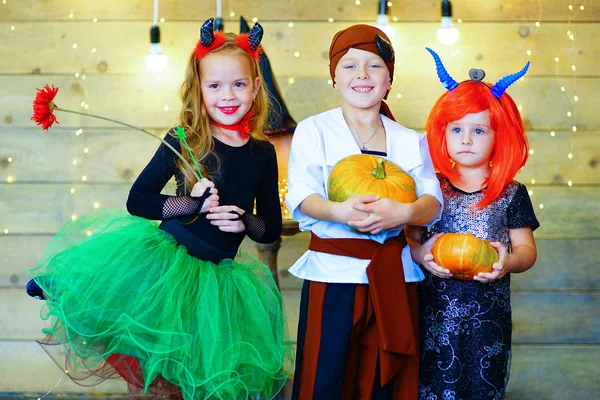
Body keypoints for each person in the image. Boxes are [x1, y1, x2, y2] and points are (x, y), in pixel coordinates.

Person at [26, 18, 293, 400]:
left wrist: (244, 221)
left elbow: (268, 228)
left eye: (238, 84)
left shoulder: (262, 153)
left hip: (219, 285)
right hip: (168, 270)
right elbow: (139, 200)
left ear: (254, 88)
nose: (227, 95)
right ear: (198, 90)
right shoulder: (185, 138)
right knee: (157, 383)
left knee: (200, 378)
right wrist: (191, 204)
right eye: (214, 85)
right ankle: (69, 288)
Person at [285, 25, 443, 399]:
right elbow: (303, 196)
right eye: (350, 66)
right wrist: (341, 212)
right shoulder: (314, 130)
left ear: (389, 80)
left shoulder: (409, 139)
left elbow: (431, 202)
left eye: (374, 66)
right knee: (325, 376)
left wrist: (402, 213)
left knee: (381, 381)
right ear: (334, 79)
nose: (362, 75)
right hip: (333, 273)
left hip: (394, 276)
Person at [407, 47, 539, 400]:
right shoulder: (431, 187)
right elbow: (409, 237)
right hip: (433, 316)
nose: (466, 139)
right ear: (442, 132)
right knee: (430, 387)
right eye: (457, 129)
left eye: (479, 130)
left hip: (488, 322)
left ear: (500, 135)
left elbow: (526, 251)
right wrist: (420, 255)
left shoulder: (511, 193)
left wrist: (509, 261)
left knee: (482, 387)